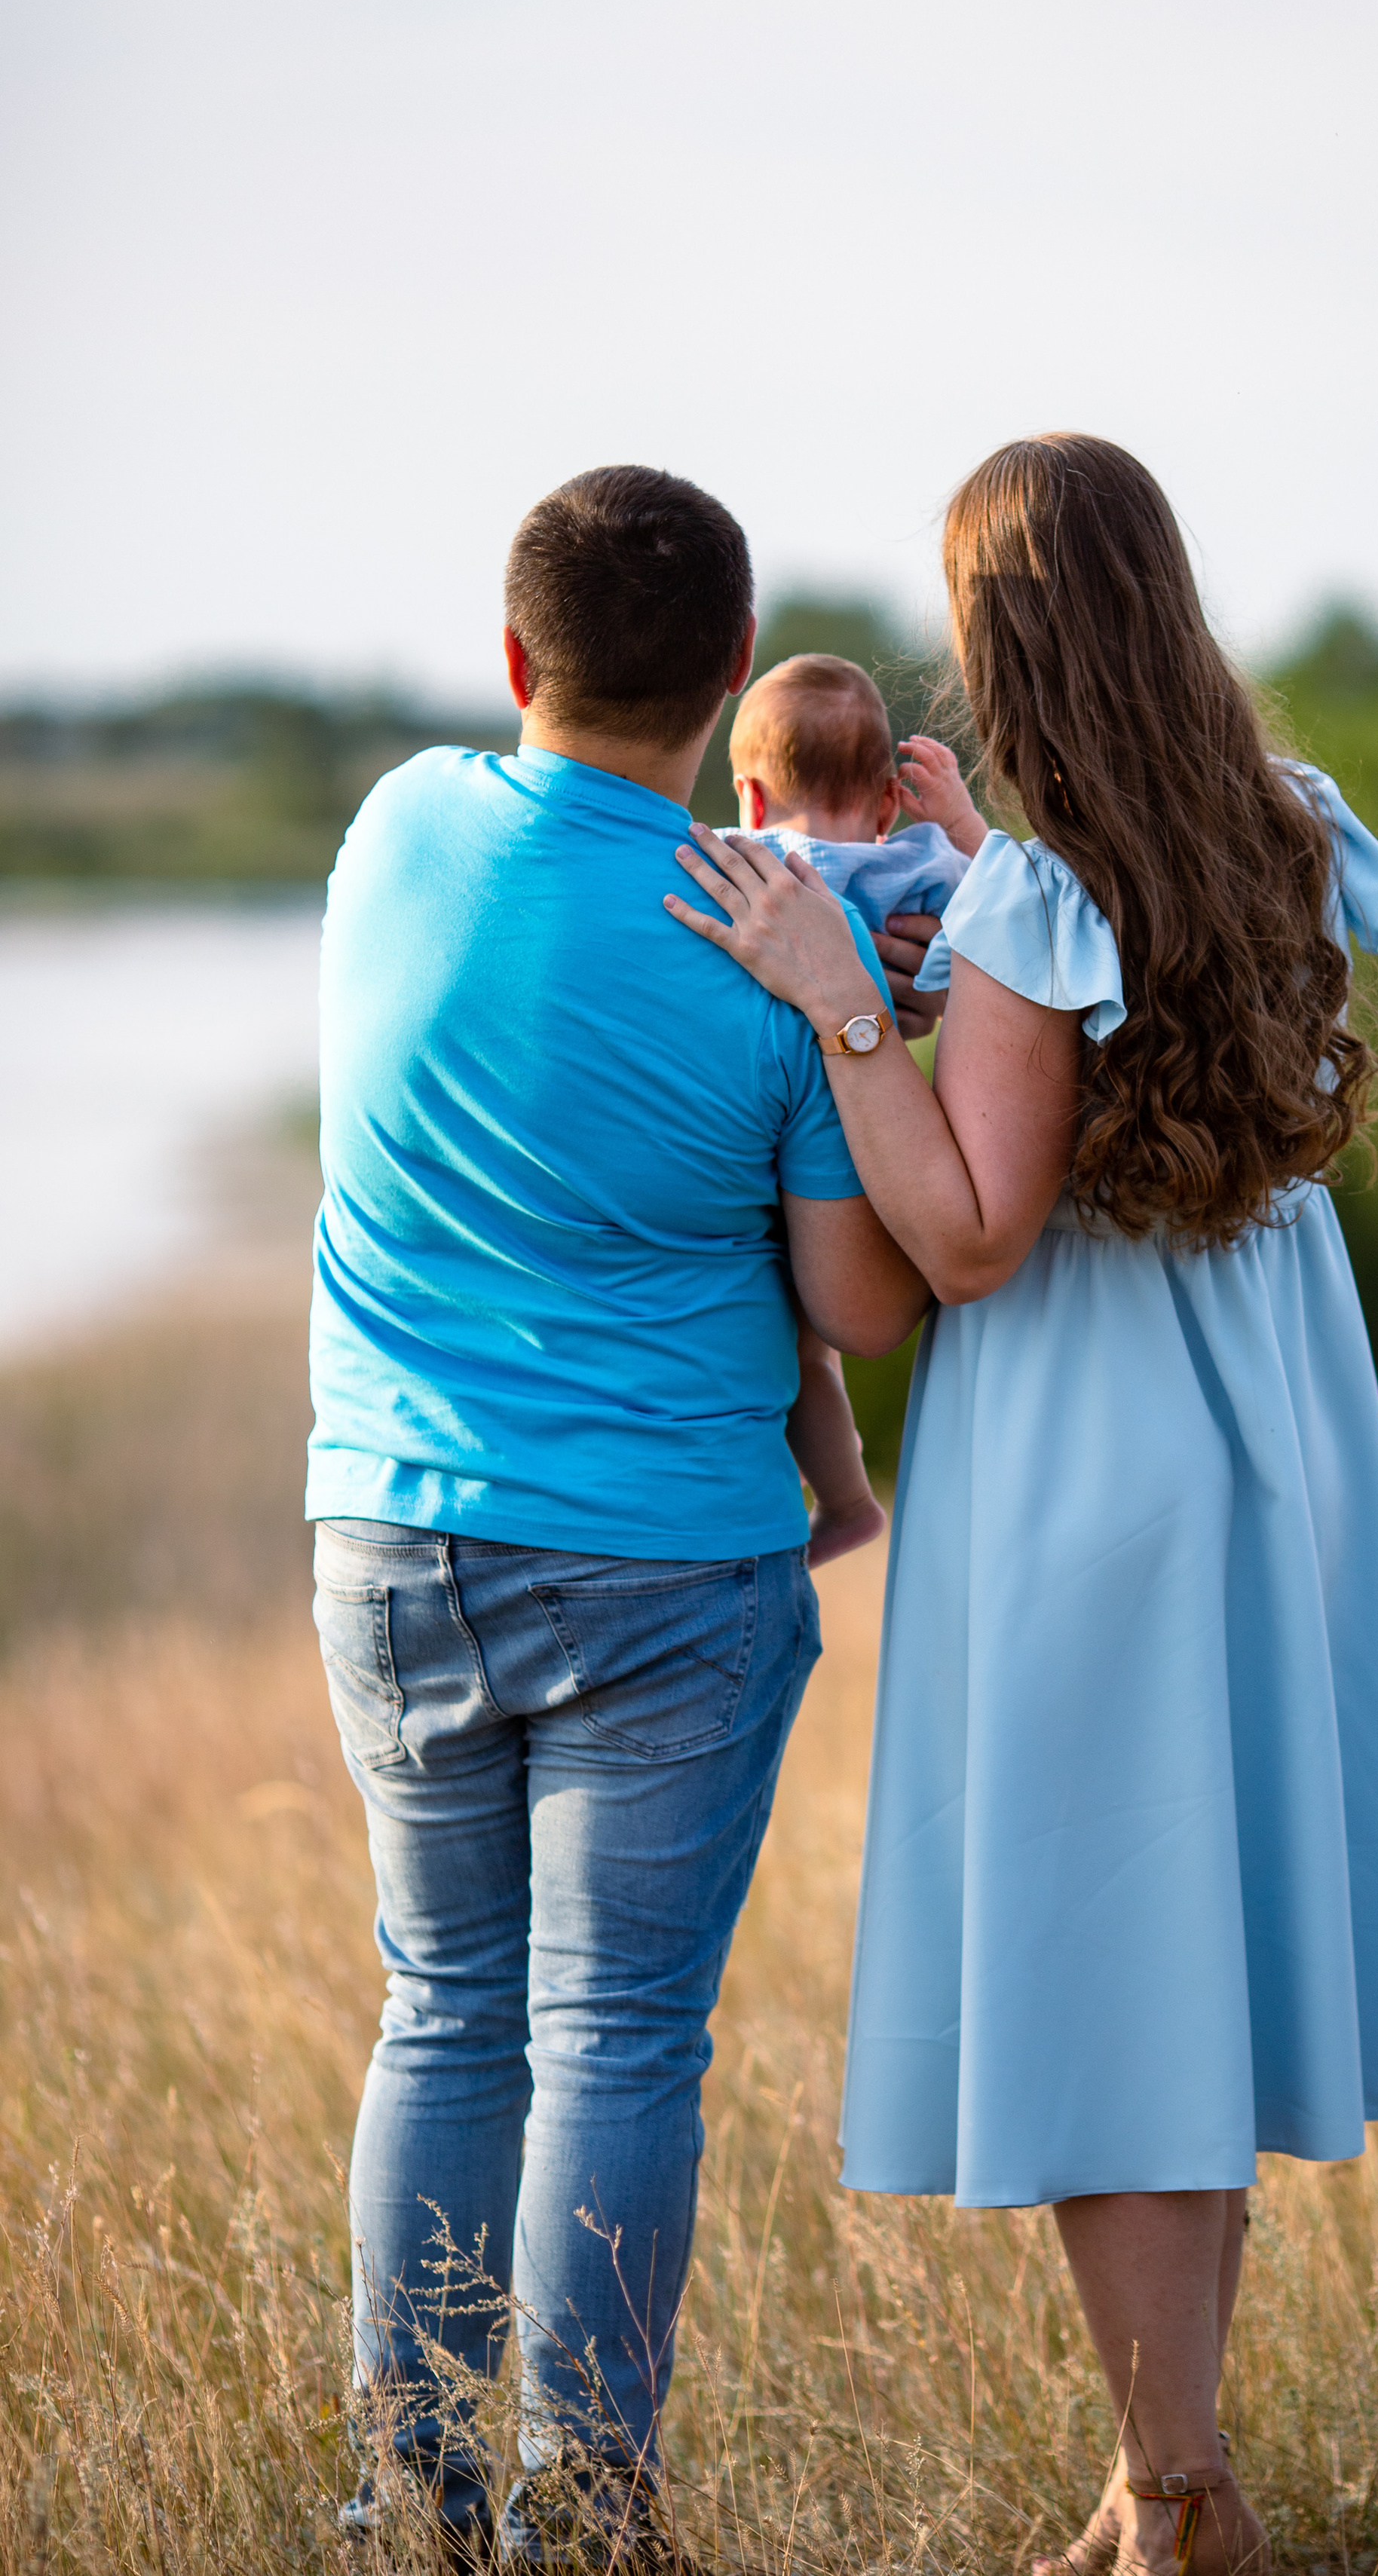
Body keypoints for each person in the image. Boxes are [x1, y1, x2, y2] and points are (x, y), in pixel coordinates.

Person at [666, 434, 1378, 2576]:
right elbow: (1145, 1040)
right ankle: (1160, 2478)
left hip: (1088, 1452)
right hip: (1268, 1418)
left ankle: (1182, 2493)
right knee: (1186, 1954)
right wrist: (967, 874)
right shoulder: (1285, 829)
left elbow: (968, 1234)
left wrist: (843, 997)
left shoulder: (1038, 908)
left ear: (1007, 640)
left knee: (1118, 1974)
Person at [307, 466, 929, 2566]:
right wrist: (856, 1012)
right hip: (667, 1565)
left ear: (514, 655)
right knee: (617, 2046)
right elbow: (861, 1303)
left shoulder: (394, 829)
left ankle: (407, 2498)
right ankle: (587, 2514)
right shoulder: (765, 944)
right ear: (734, 674)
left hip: (388, 1540)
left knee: (440, 2011)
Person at [726, 651, 988, 1568]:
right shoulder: (918, 864)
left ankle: (841, 1502)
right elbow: (1006, 918)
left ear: (750, 797)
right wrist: (956, 820)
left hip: (768, 1119)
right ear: (885, 804)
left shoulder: (750, 863)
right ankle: (847, 1503)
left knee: (786, 1338)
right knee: (817, 1348)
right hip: (874, 1118)